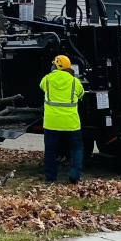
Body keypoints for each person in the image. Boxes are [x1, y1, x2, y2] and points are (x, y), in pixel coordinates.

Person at [40, 53, 85, 183]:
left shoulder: (47, 79)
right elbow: (81, 93)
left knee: (50, 151)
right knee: (77, 149)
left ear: (56, 66)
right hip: (71, 123)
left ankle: (50, 178)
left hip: (51, 123)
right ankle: (74, 176)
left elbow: (42, 87)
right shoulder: (74, 81)